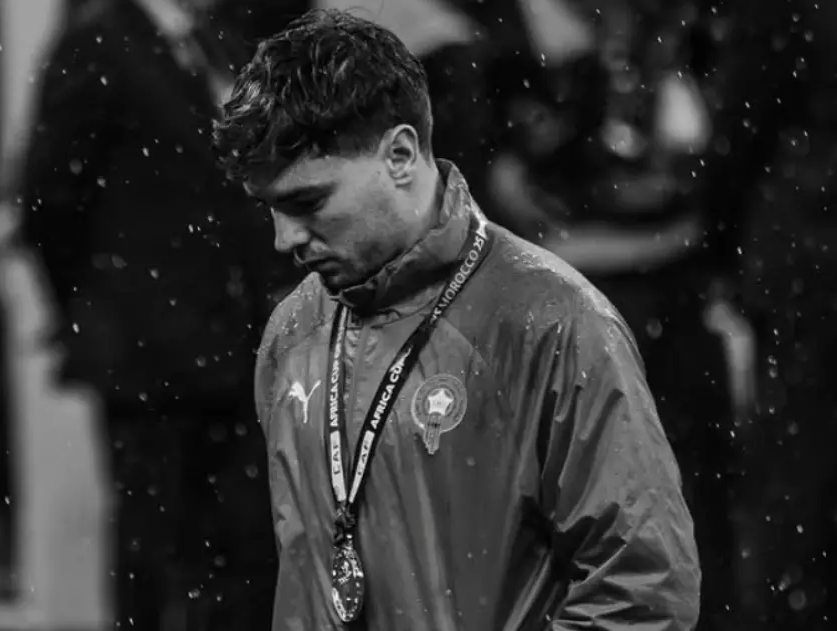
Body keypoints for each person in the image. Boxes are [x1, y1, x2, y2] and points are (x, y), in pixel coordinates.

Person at [213, 9, 701, 630]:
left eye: (307, 202)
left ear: (400, 154)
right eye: (270, 210)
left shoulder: (554, 324)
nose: (285, 240)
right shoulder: (290, 334)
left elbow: (642, 591)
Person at [19, 0, 300, 627]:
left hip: (232, 347)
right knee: (156, 548)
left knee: (245, 548)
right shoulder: (99, 43)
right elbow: (47, 199)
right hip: (148, 356)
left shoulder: (216, 42)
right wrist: (101, 308)